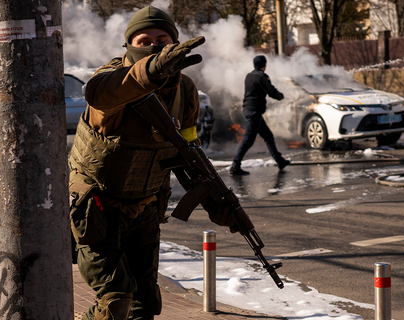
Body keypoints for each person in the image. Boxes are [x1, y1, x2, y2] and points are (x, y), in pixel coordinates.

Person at [67, 6, 235, 320]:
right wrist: (151, 71)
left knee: (146, 304)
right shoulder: (110, 80)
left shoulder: (185, 90)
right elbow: (97, 95)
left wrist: (219, 205)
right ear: (128, 45)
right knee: (116, 302)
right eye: (144, 40)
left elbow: (188, 151)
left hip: (144, 205)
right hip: (98, 207)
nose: (154, 46)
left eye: (163, 39)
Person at [230, 55, 290, 175]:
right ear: (264, 65)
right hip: (254, 111)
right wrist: (281, 96)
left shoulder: (249, 76)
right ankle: (235, 166)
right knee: (248, 140)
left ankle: (280, 161)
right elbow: (271, 92)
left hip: (249, 110)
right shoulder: (262, 76)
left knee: (268, 136)